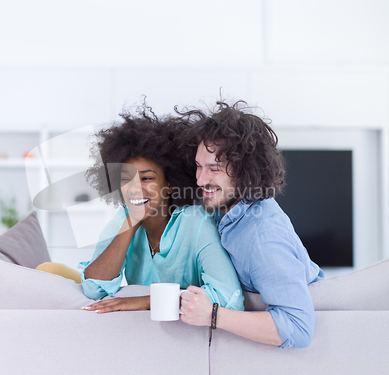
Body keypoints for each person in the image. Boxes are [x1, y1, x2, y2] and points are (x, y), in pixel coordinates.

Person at [178, 101, 325, 348]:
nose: (201, 179)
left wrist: (213, 315)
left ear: (245, 172)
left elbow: (299, 328)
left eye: (214, 169)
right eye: (198, 166)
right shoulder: (224, 209)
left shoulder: (262, 236)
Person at [79, 106, 244, 313]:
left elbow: (229, 297)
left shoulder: (196, 221)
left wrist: (147, 301)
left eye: (147, 178)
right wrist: (131, 223)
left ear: (169, 184)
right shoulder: (124, 217)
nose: (135, 188)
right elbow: (93, 288)